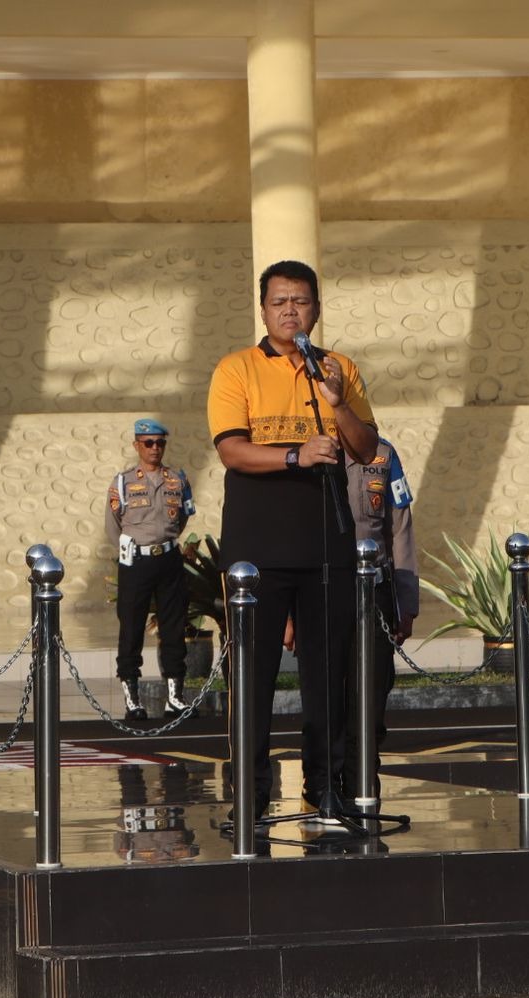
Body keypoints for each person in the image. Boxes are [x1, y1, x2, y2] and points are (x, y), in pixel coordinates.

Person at [206, 259, 378, 819]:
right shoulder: (236, 369)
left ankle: (325, 785)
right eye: (279, 302)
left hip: (326, 539)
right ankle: (252, 792)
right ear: (263, 311)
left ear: (317, 309)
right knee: (253, 676)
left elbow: (365, 448)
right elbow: (231, 450)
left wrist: (338, 402)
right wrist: (294, 456)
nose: (290, 311)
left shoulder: (339, 368)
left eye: (300, 302)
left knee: (328, 674)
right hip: (257, 545)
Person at [285, 436, 418, 802]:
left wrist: (406, 601)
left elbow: (400, 529)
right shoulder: (309, 451)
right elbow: (292, 534)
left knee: (370, 697)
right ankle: (322, 787)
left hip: (374, 592)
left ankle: (362, 786)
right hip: (320, 591)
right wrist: (288, 612)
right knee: (323, 697)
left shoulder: (384, 454)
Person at [106, 418, 196, 721]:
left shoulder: (177, 480)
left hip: (168, 559)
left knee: (174, 627)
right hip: (136, 561)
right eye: (148, 443)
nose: (155, 448)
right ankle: (132, 698)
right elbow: (112, 525)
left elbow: (182, 518)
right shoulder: (123, 482)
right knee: (131, 627)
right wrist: (132, 548)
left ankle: (175, 697)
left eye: (160, 443)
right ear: (137, 445)